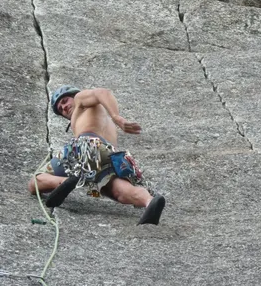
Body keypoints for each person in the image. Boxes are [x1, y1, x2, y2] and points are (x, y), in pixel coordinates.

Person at [28, 85, 165, 225]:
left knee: (34, 182)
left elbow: (102, 92)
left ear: (74, 95)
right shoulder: (98, 117)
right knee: (119, 192)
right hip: (109, 157)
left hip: (86, 148)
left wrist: (117, 117)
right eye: (60, 109)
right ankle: (149, 201)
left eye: (65, 101)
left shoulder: (80, 99)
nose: (63, 107)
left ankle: (66, 183)